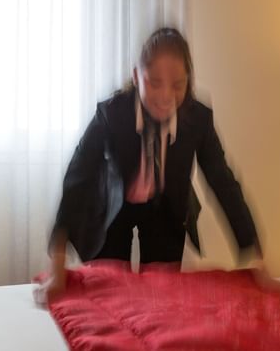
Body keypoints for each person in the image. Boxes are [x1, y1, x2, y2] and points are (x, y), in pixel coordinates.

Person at [42, 27, 262, 301]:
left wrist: (254, 255)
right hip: (113, 208)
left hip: (165, 207)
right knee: (108, 294)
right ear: (136, 76)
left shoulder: (197, 120)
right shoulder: (111, 115)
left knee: (161, 298)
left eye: (178, 85)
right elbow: (78, 178)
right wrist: (58, 262)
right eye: (154, 82)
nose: (166, 95)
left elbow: (222, 181)